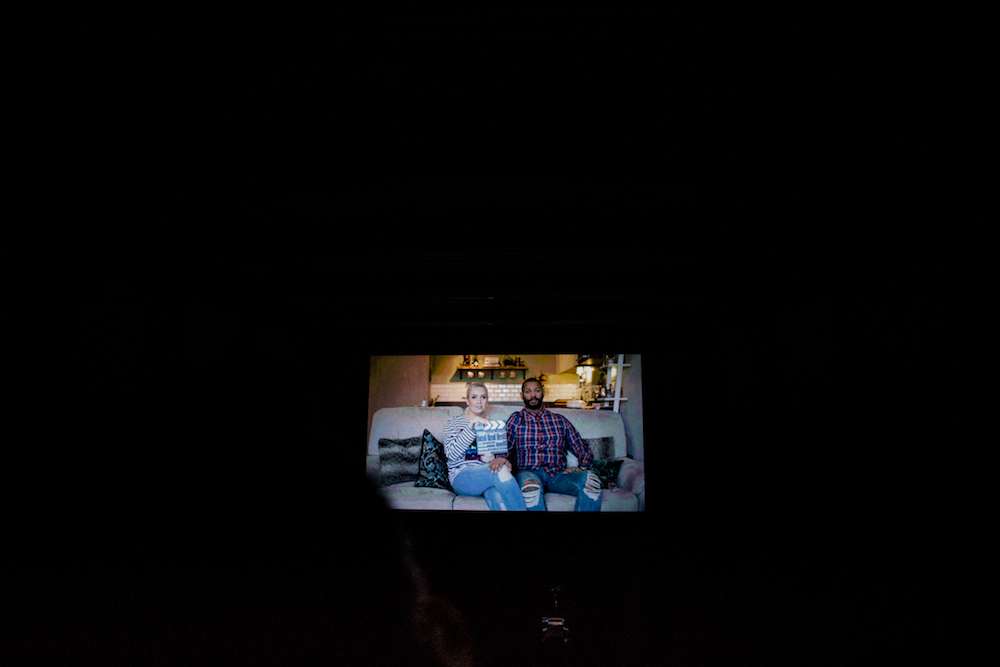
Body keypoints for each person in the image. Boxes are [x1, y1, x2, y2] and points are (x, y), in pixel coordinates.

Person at [506, 378, 603, 512]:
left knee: (591, 481)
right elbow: (504, 448)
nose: (533, 395)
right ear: (522, 395)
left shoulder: (559, 420)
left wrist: (581, 467)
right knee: (531, 491)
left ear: (543, 392)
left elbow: (581, 447)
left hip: (558, 475)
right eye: (528, 392)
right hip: (528, 473)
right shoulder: (516, 419)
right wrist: (502, 462)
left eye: (537, 390)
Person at [444, 383, 527, 511]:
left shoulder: (492, 425)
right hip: (461, 477)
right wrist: (472, 427)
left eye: (483, 397)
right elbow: (451, 454)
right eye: (474, 397)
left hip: (485, 476)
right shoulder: (453, 422)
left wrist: (501, 459)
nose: (479, 401)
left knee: (499, 499)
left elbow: (497, 457)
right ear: (467, 401)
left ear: (487, 400)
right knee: (500, 472)